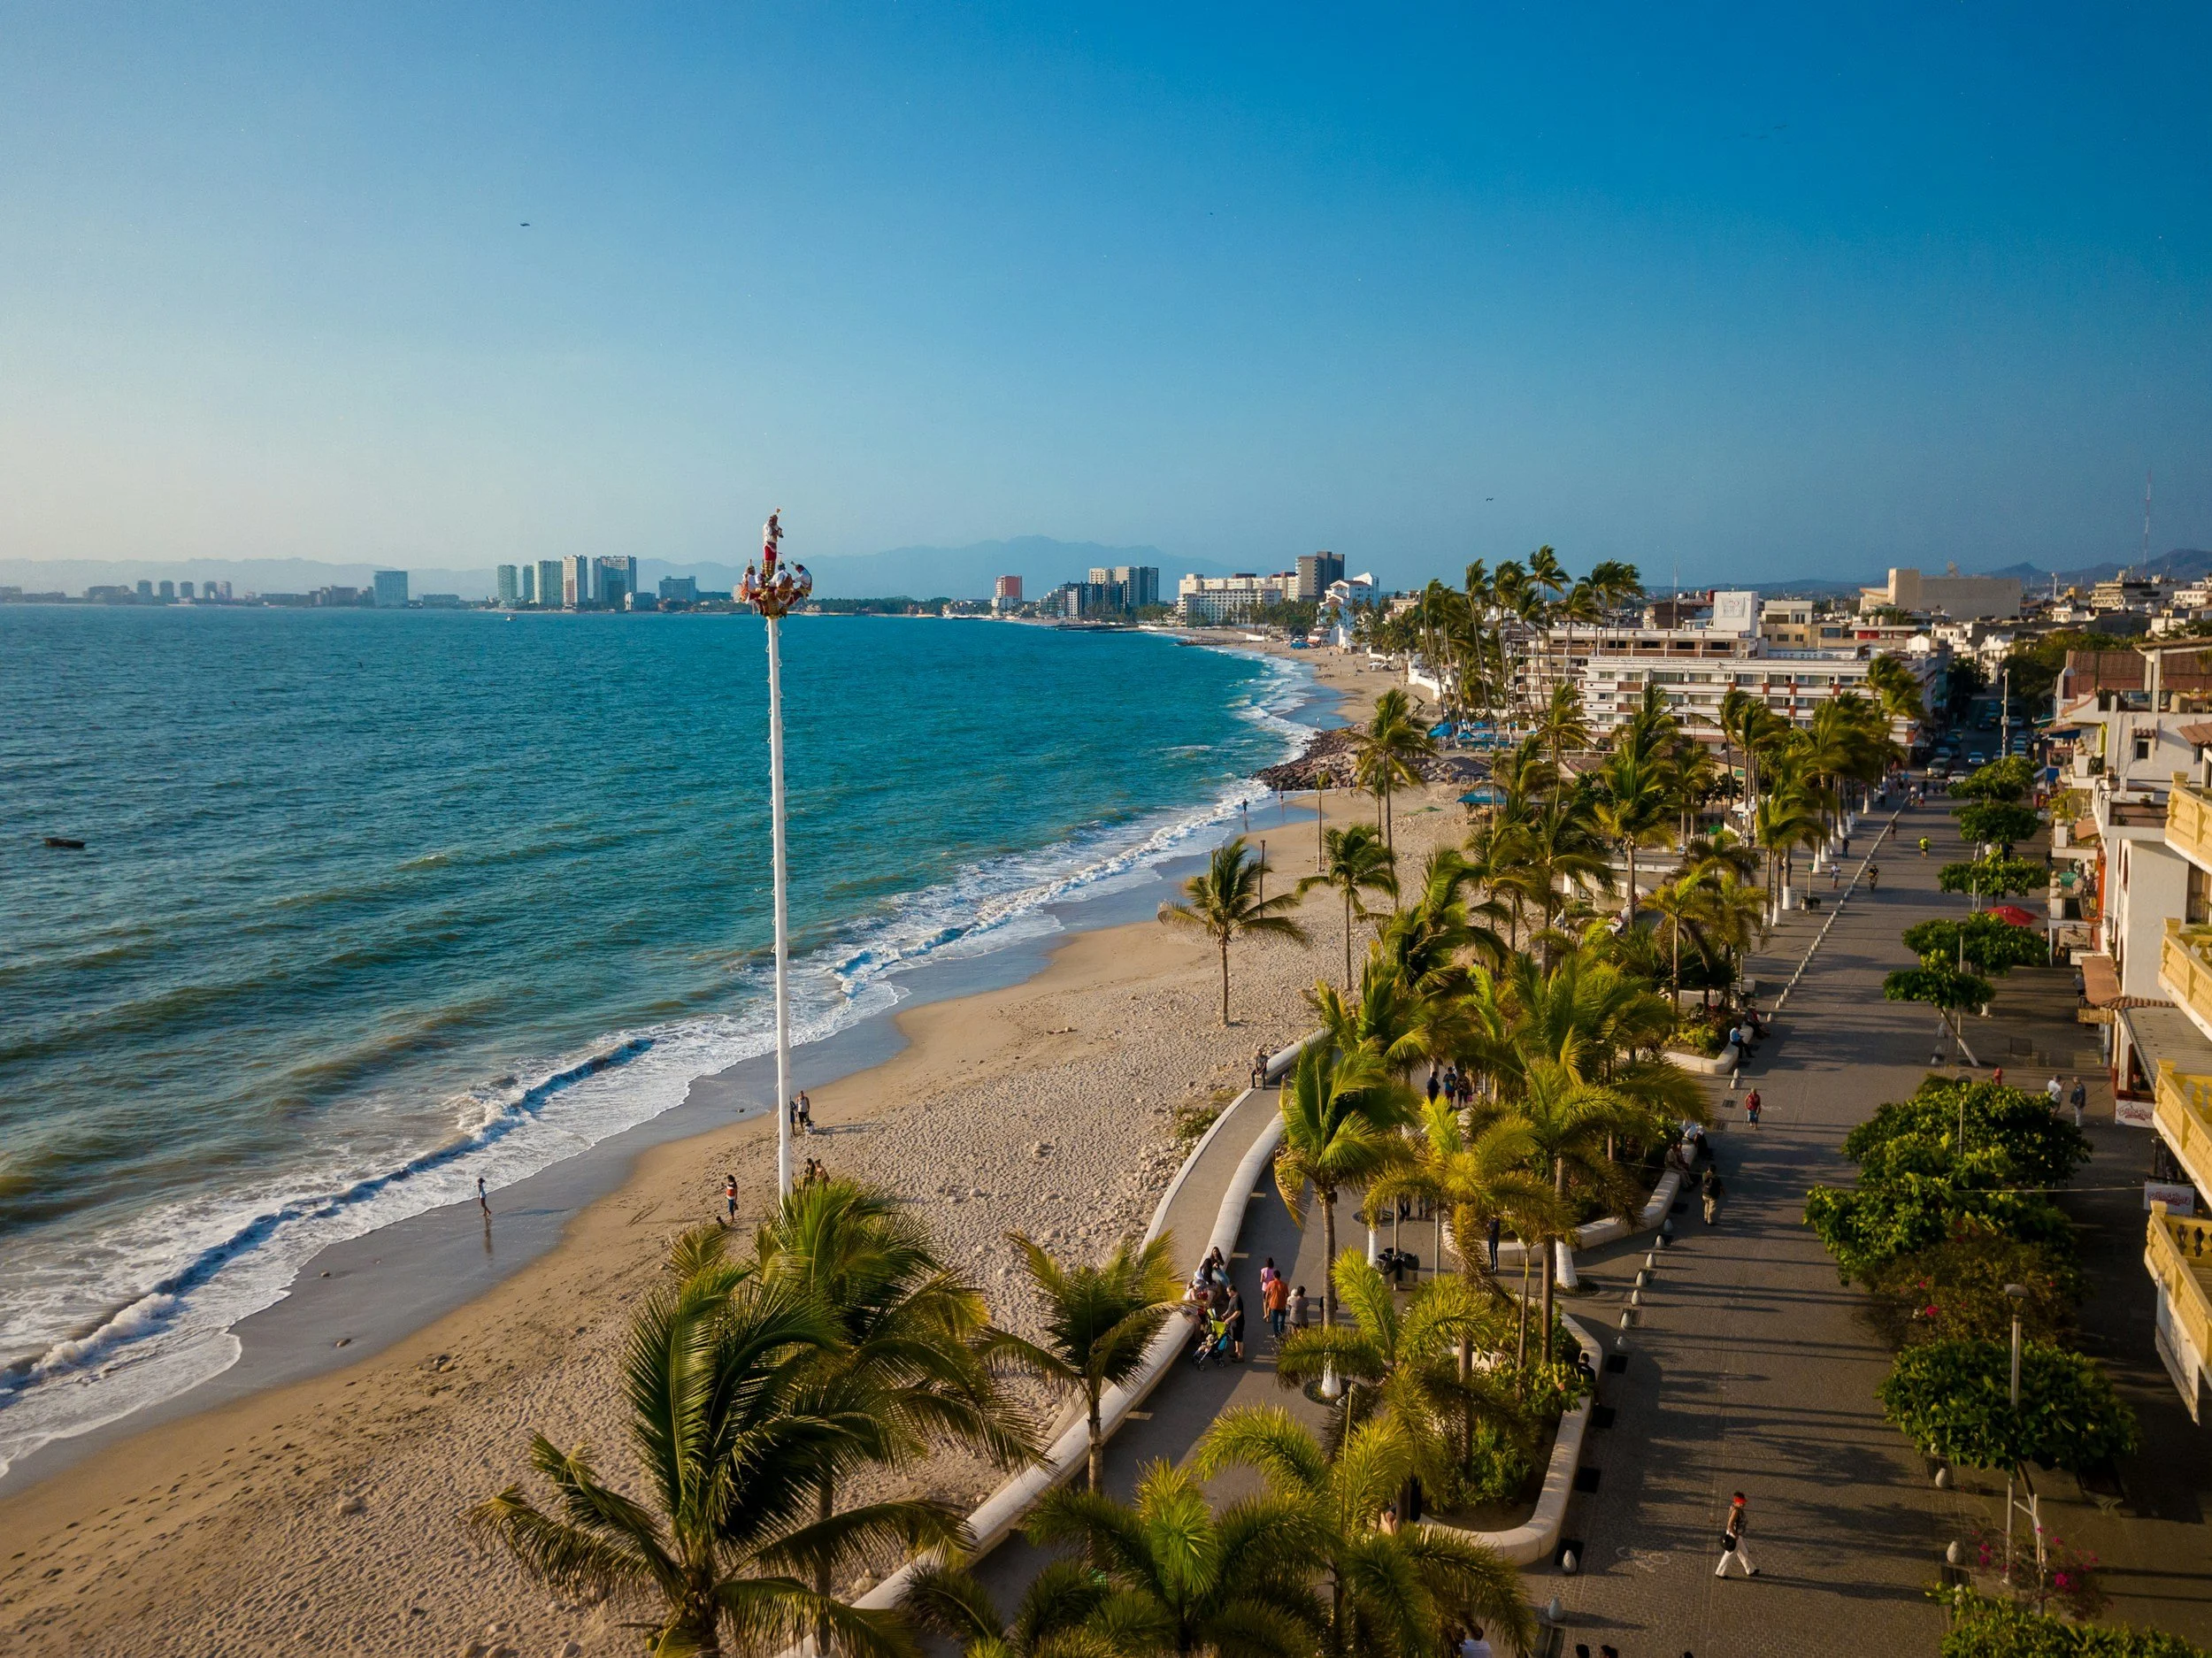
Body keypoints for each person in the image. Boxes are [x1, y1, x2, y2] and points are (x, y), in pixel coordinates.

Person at [1714, 1492, 1757, 1577]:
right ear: (1736, 1502)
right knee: (1729, 1555)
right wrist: (1735, 1535)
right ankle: (1719, 1572)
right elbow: (1730, 1525)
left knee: (1744, 1553)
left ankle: (1750, 1570)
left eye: (1743, 1502)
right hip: (1734, 1536)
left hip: (1737, 1535)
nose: (1743, 1504)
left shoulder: (1734, 1507)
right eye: (1741, 1503)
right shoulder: (1736, 1511)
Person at [1264, 1272, 1289, 1338]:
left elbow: (1267, 1294)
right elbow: (1287, 1295)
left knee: (1275, 1321)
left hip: (1273, 1305)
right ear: (1280, 1276)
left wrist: (1267, 1302)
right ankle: (1281, 1332)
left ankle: (1276, 1334)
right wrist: (1285, 1302)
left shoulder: (1270, 1283)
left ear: (1274, 1276)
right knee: (1281, 1320)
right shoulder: (1284, 1285)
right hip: (1282, 1306)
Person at [1224, 1288, 1246, 1362]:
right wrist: (1226, 1313)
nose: (1227, 1293)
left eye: (1228, 1292)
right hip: (1234, 1323)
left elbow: (1238, 1312)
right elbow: (1230, 1307)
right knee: (1236, 1337)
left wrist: (1229, 1319)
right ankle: (1236, 1351)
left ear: (1232, 1291)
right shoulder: (1233, 1298)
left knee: (1239, 1339)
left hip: (1238, 1322)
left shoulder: (1237, 1299)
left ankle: (1240, 1356)